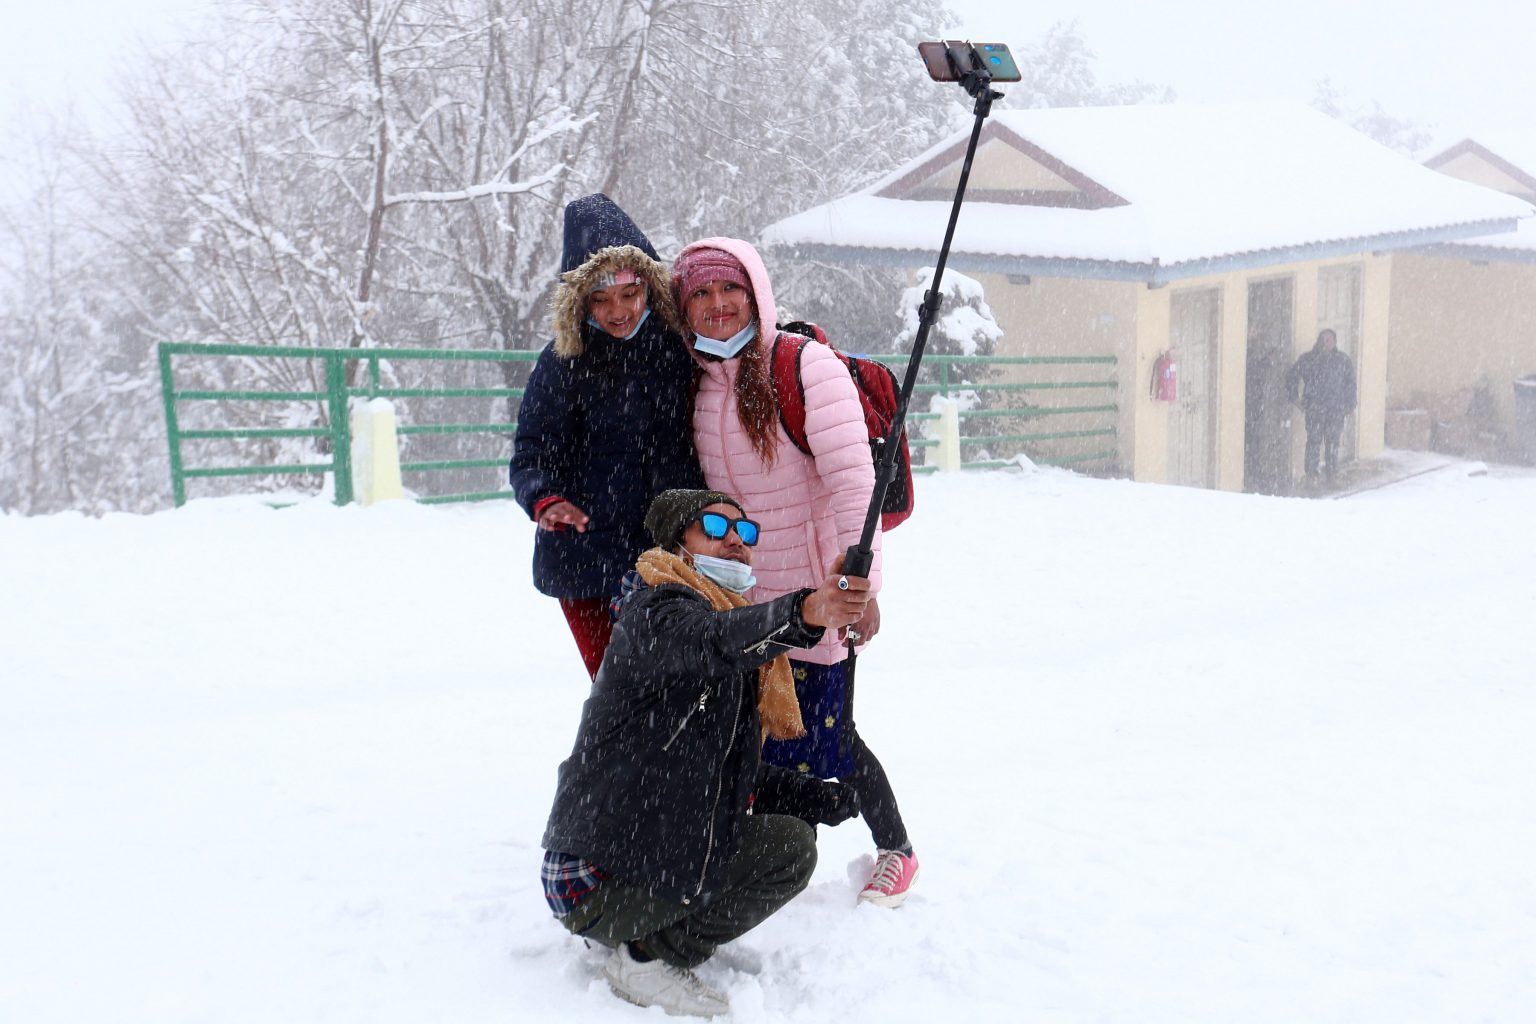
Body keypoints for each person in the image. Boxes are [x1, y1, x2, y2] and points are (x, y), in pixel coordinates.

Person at [541, 489, 867, 1018]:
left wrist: (810, 795)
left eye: (745, 531)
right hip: (593, 876)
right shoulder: (657, 612)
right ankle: (645, 956)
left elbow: (725, 763)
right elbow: (716, 640)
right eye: (715, 528)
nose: (736, 540)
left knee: (789, 832)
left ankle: (635, 923)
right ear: (679, 547)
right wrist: (807, 611)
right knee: (788, 852)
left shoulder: (714, 624)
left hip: (631, 850)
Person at [671, 238, 920, 908]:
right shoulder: (698, 383)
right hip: (747, 604)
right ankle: (771, 851)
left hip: (816, 595)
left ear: (755, 293)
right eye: (701, 293)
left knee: (829, 736)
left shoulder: (803, 366)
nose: (718, 306)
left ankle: (895, 850)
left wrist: (860, 587)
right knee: (760, 729)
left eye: (731, 291)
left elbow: (852, 485)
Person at [509, 194, 704, 679]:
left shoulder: (678, 351)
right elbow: (532, 451)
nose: (617, 311)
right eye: (600, 298)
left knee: (677, 686)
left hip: (669, 554)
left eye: (628, 295)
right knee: (615, 689)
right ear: (581, 301)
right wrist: (546, 499)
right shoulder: (562, 363)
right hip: (585, 557)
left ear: (648, 287)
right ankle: (614, 755)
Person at [1286, 328, 1358, 483]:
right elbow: (1292, 376)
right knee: (1313, 442)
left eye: (1329, 340)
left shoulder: (1342, 361)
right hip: (1315, 410)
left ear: (1335, 342)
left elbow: (1350, 384)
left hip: (1335, 410)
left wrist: (1350, 405)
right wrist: (1295, 399)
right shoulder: (1308, 360)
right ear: (1318, 341)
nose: (1326, 343)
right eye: (1323, 340)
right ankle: (1312, 475)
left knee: (1333, 442)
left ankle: (1332, 473)